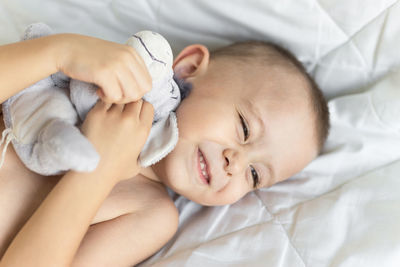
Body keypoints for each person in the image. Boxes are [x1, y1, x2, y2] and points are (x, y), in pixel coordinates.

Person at [0, 31, 329, 266]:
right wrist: (61, 51)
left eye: (254, 174)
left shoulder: (149, 214)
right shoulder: (86, 79)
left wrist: (101, 170)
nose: (236, 164)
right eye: (244, 128)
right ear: (188, 69)